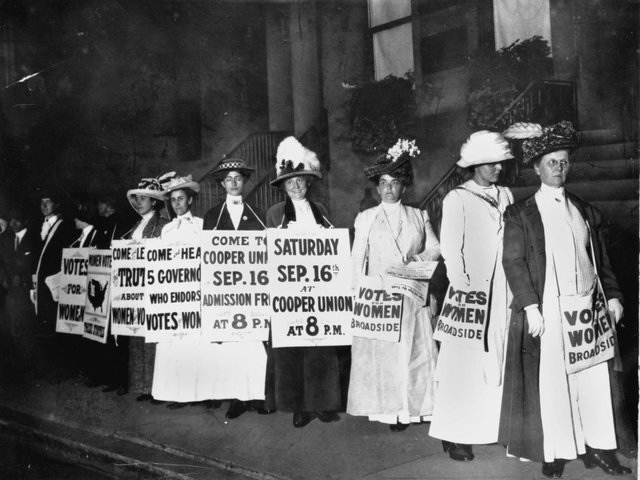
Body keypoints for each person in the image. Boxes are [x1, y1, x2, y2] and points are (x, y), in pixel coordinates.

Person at [499, 121, 631, 478]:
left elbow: (599, 259)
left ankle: (600, 449)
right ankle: (555, 452)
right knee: (555, 384)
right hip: (552, 312)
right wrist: (530, 306)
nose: (559, 168)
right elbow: (513, 262)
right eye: (551, 162)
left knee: (594, 381)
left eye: (563, 162)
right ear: (537, 167)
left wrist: (614, 296)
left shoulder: (584, 210)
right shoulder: (520, 213)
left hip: (587, 311)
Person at [429, 132, 514, 460]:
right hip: (470, 293)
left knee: (497, 356)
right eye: (490, 163)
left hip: (503, 289)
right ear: (474, 164)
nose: (497, 168)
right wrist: (464, 288)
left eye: (500, 162)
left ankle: (491, 426)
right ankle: (454, 434)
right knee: (462, 364)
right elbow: (451, 248)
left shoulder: (505, 194)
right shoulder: (457, 199)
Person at [347, 138, 441, 431]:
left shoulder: (418, 215)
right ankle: (392, 412)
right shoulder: (365, 219)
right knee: (386, 357)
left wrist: (418, 257)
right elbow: (357, 259)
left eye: (395, 182)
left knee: (413, 355)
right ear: (377, 188)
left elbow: (437, 248)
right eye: (384, 183)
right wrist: (355, 295)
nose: (389, 188)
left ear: (404, 186)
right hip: (380, 299)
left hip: (412, 295)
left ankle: (413, 409)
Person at [265, 136, 342, 428]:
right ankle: (299, 406)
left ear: (308, 182)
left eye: (300, 180)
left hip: (320, 291)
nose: (296, 186)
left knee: (320, 348)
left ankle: (322, 403)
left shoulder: (321, 210)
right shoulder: (274, 214)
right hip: (289, 292)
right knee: (292, 349)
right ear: (283, 186)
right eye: (290, 182)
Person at [201, 157, 270, 419]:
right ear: (222, 184)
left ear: (243, 182)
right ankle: (237, 397)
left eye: (237, 179)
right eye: (228, 179)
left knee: (253, 341)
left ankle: (256, 396)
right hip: (225, 291)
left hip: (251, 290)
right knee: (232, 344)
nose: (233, 183)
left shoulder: (257, 214)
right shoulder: (212, 216)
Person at [151, 173, 205, 409]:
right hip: (173, 294)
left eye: (181, 199)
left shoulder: (202, 225)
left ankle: (198, 393)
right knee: (174, 343)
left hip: (194, 292)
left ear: (190, 200)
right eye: (173, 200)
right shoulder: (167, 230)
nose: (177, 204)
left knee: (195, 344)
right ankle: (177, 392)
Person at [124, 174, 170, 402]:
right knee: (138, 336)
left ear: (155, 202)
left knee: (154, 339)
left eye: (144, 198)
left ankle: (156, 387)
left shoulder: (162, 225)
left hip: (153, 286)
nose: (139, 202)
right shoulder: (135, 226)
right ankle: (143, 385)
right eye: (137, 198)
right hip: (135, 287)